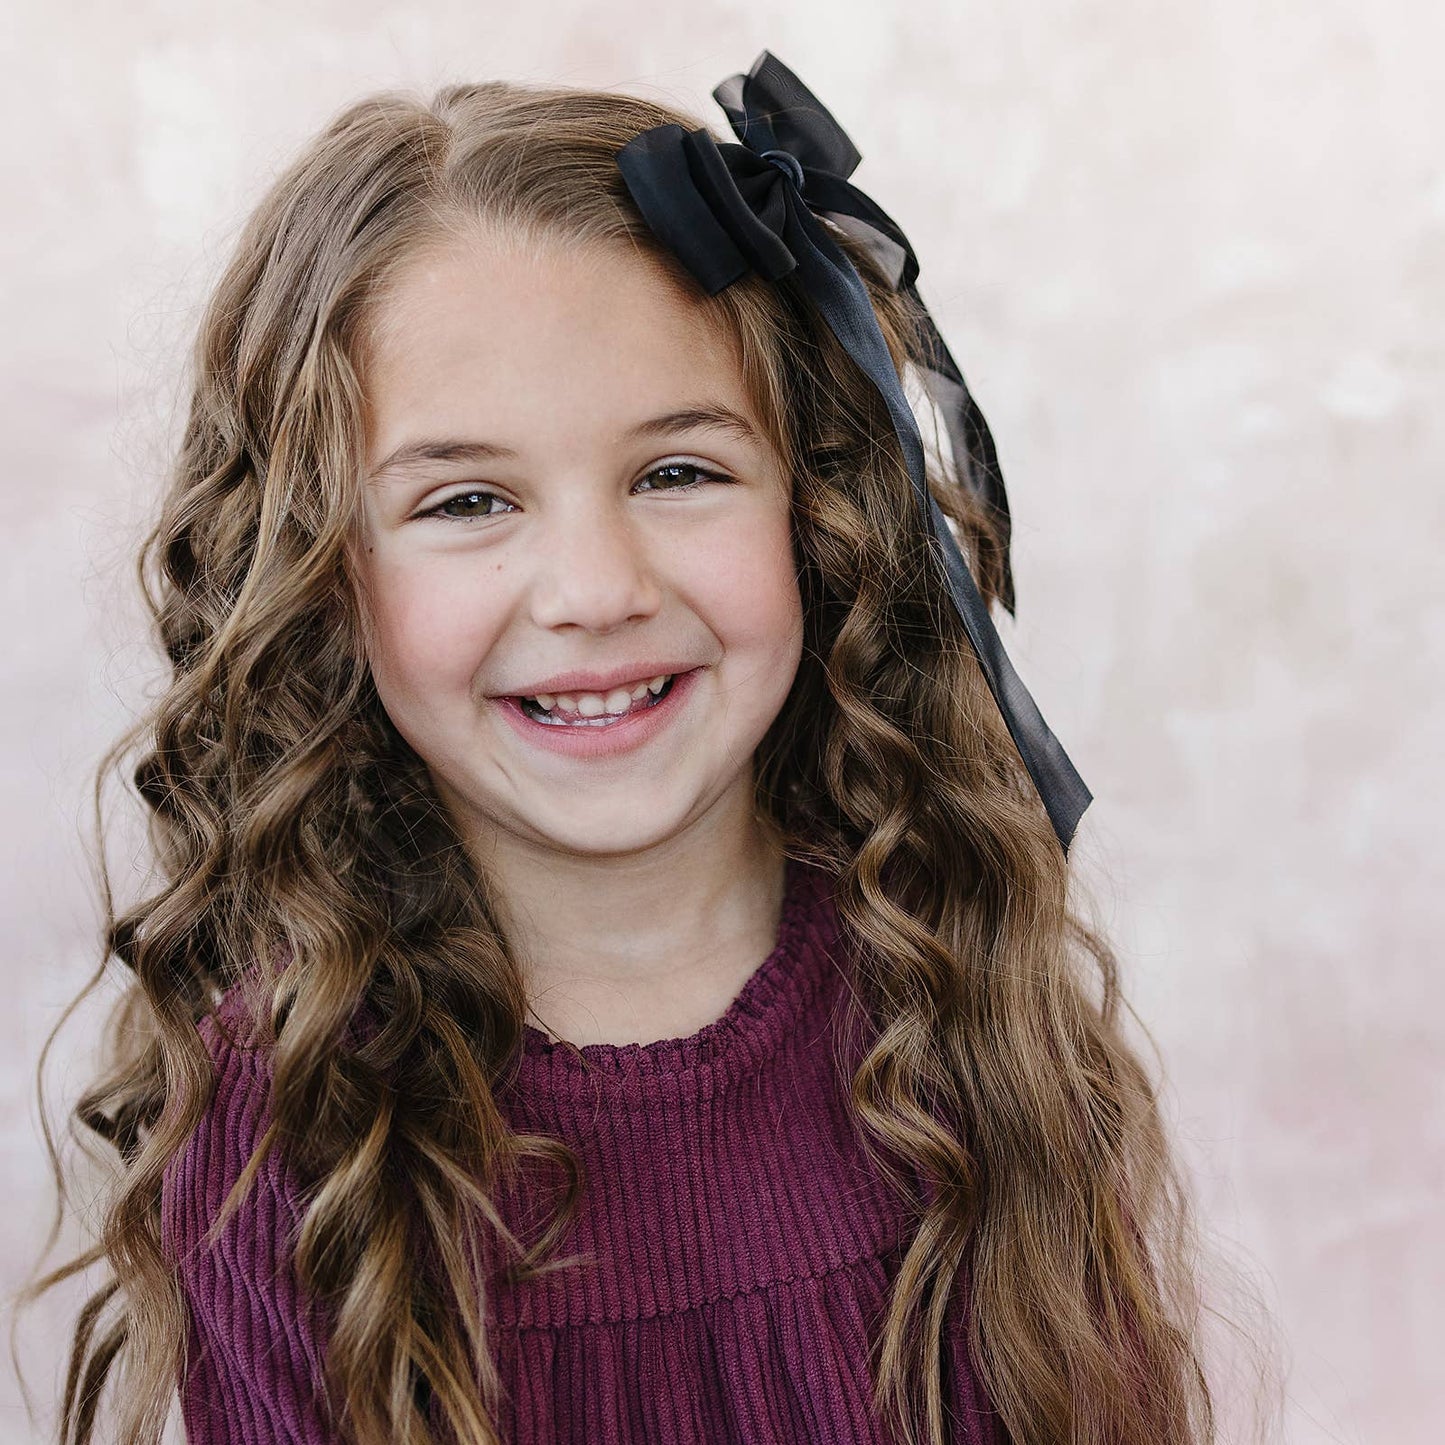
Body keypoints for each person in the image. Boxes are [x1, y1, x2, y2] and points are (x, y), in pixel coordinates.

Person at [22, 50, 1276, 1445]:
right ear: (319, 576)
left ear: (815, 507)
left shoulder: (966, 1003)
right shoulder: (294, 1136)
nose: (595, 586)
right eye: (468, 499)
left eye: (676, 473)